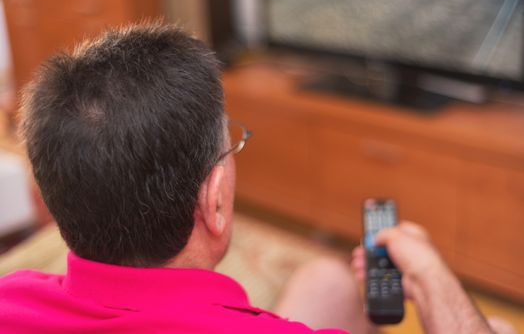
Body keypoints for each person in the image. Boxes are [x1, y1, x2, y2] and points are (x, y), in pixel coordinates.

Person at [0, 23, 515, 334]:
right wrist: (430, 273)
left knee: (326, 279)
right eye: (230, 145)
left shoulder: (11, 298)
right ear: (216, 203)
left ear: (50, 198)